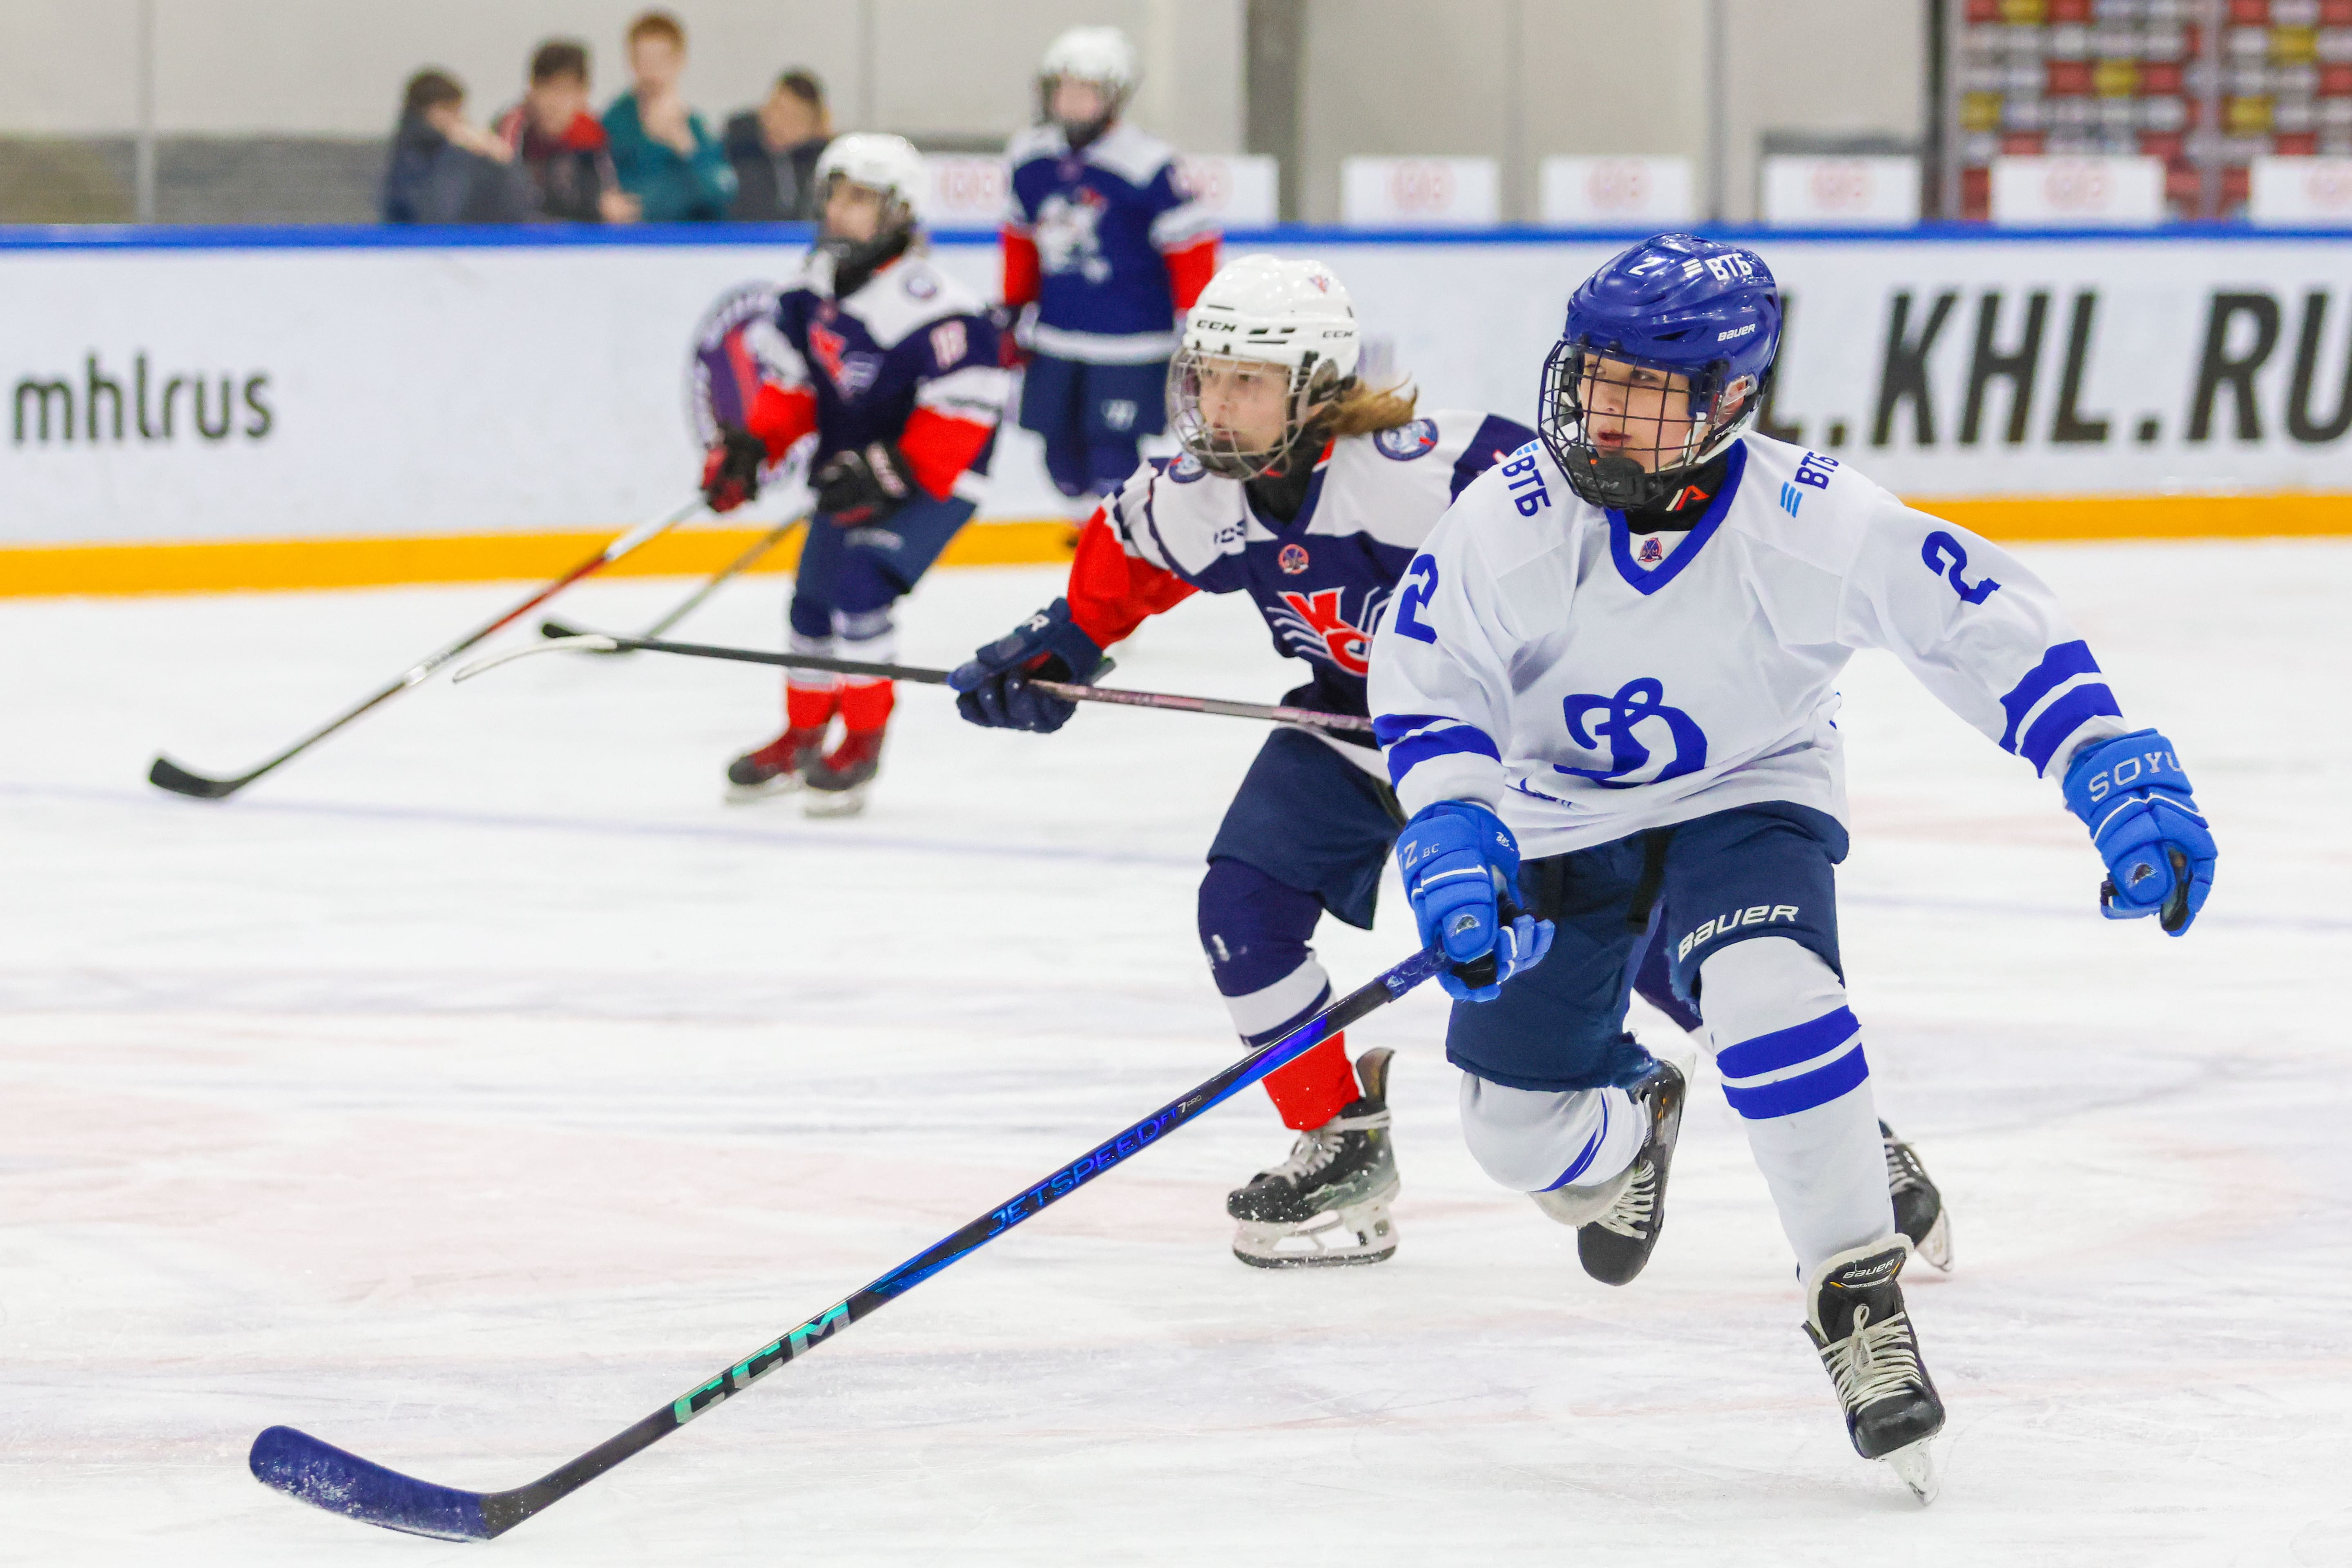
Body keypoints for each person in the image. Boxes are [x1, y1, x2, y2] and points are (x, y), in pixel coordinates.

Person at [1368, 232, 2216, 1500]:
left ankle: (1851, 1290)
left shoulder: (1811, 518)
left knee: (1770, 992)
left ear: (1728, 401)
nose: (1604, 411)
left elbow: (1979, 622)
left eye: (1646, 391)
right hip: (1555, 813)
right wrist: (1449, 826)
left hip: (1744, 788)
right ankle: (1640, 1112)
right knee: (1515, 1138)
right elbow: (1430, 684)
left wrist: (2109, 765)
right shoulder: (1508, 520)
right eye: (1592, 375)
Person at [946, 253, 1957, 1276]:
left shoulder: (1424, 475)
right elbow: (1115, 579)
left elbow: (1596, 538)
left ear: (1312, 387)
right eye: (1204, 375)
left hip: (1505, 743)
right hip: (1345, 726)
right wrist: (1052, 649)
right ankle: (1341, 1135)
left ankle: (1844, 1139)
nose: (1214, 402)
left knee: (1657, 954)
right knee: (1239, 912)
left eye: (1244, 380)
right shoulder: (1192, 494)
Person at [696, 133, 1005, 816]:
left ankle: (862, 741)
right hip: (854, 469)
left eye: (860, 198)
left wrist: (888, 468)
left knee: (859, 589)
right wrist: (751, 448)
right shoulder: (808, 290)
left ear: (898, 211)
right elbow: (794, 390)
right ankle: (804, 731)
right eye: (834, 193)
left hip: (936, 481)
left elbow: (967, 412)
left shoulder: (937, 306)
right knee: (811, 600)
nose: (839, 210)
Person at [1001, 27, 1218, 508]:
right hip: (1057, 334)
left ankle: (1121, 549)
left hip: (1131, 341)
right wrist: (1014, 307)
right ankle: (1096, 542)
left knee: (1110, 456)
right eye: (1064, 89)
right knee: (1059, 457)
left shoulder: (1150, 164)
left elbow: (1192, 247)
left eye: (1086, 91)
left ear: (1114, 96)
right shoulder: (1028, 156)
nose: (1072, 102)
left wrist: (1197, 322)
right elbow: (1020, 239)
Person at [603, 11, 737, 222]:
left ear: (679, 61)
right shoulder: (612, 125)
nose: (651, 71)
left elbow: (725, 194)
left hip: (686, 247)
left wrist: (687, 147)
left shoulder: (697, 129)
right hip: (629, 247)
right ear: (631, 62)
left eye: (660, 60)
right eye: (643, 60)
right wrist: (602, 205)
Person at [493, 41, 637, 224]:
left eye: (564, 91)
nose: (554, 103)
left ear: (583, 95)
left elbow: (610, 197)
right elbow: (508, 198)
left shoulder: (593, 137)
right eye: (546, 89)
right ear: (532, 92)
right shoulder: (513, 129)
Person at [381, 69, 531, 224]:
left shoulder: (410, 150)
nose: (461, 121)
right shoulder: (422, 157)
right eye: (453, 112)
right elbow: (441, 216)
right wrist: (488, 154)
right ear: (434, 112)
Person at [725, 71, 831, 221]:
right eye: (777, 109)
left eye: (795, 117)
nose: (779, 122)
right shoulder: (737, 152)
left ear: (813, 126)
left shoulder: (820, 164)